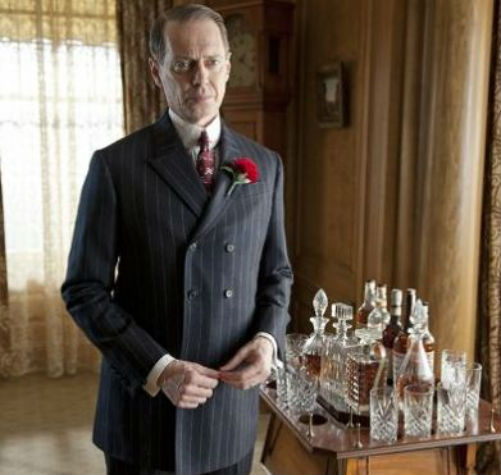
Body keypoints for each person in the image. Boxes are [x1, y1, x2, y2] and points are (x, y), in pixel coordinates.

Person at [61, 4, 292, 475]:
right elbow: (83, 290)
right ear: (156, 72)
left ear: (228, 66)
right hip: (144, 414)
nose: (199, 78)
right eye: (183, 64)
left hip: (227, 411)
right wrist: (159, 368)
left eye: (211, 62)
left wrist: (268, 341)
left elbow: (277, 273)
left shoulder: (266, 166)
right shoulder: (116, 166)